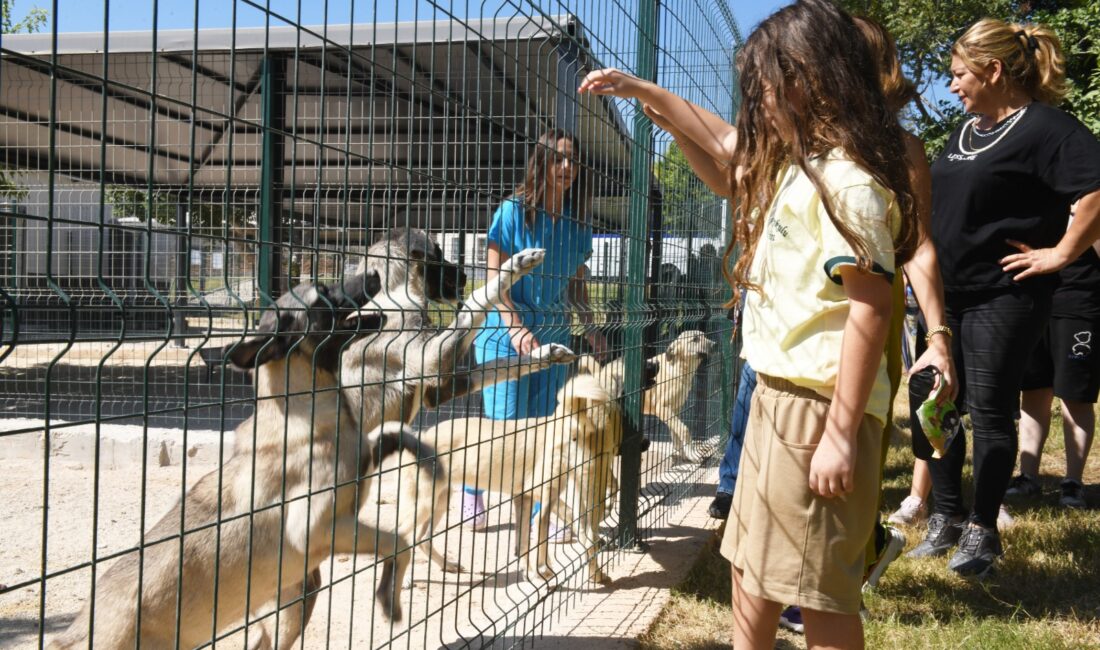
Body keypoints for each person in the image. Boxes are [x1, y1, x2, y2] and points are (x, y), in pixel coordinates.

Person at [581, 2, 921, 647]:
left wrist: (842, 433)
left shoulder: (848, 185)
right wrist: (651, 97)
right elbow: (720, 147)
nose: (753, 104)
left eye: (762, 86)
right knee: (749, 567)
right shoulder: (799, 167)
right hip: (772, 394)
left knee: (818, 595)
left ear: (808, 80)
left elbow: (872, 308)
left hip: (816, 408)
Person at [905, 18, 1100, 578]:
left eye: (959, 74)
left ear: (993, 71)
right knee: (932, 398)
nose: (951, 86)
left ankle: (983, 531)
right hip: (947, 295)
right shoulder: (964, 131)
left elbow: (1094, 190)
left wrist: (1061, 252)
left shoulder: (1047, 128)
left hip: (1004, 296)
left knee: (989, 411)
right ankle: (945, 518)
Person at [462, 128, 608, 531]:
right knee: (504, 428)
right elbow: (493, 277)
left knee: (547, 428)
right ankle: (473, 488)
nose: (566, 167)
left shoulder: (579, 225)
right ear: (540, 163)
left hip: (555, 332)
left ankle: (543, 513)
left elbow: (577, 283)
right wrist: (513, 327)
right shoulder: (512, 211)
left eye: (572, 161)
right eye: (558, 158)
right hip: (504, 332)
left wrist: (590, 327)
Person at [1009, 205, 1098, 510]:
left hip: (1079, 300)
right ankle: (1027, 476)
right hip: (1032, 296)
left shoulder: (1090, 192)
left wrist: (1084, 218)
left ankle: (1072, 483)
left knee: (1075, 395)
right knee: (1033, 390)